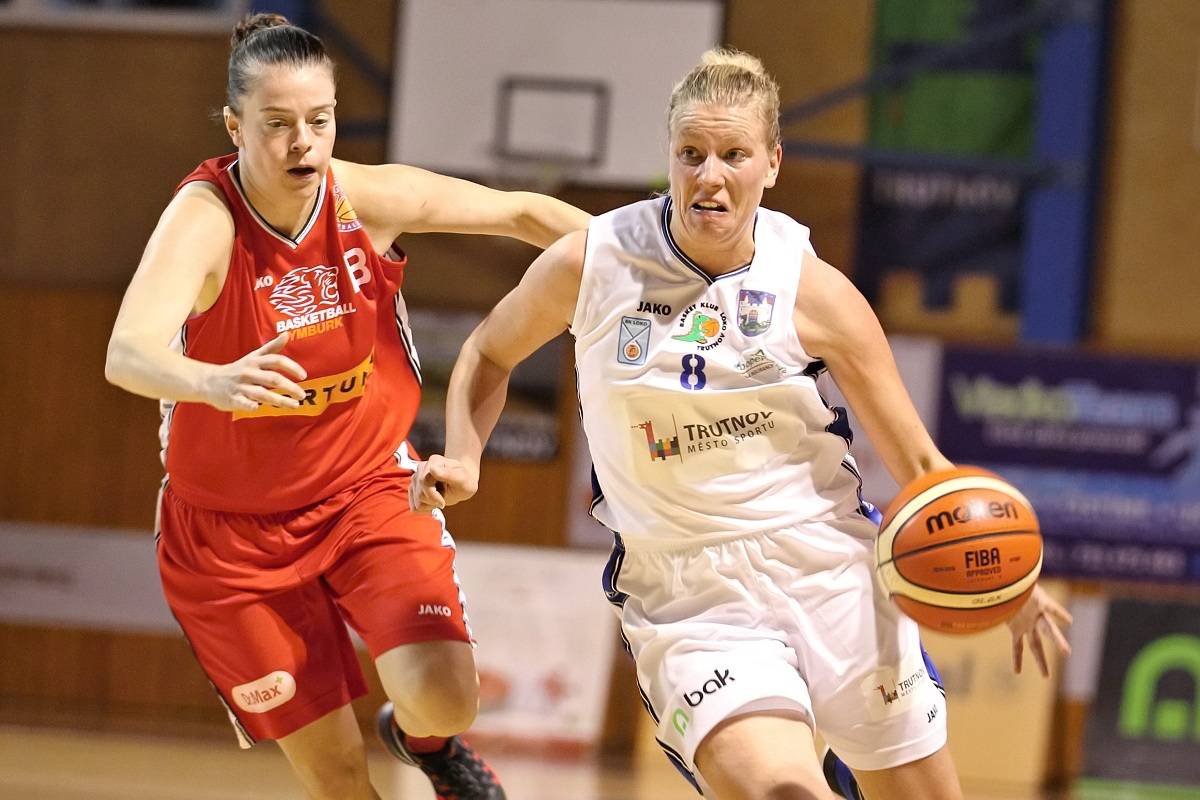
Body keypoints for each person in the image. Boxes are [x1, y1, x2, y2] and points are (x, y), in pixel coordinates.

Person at [410, 48, 1073, 800]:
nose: (710, 175)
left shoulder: (814, 290)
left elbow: (922, 464)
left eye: (734, 154)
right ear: (669, 157)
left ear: (772, 163)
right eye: (691, 153)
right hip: (690, 596)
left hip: (829, 569)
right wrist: (465, 456)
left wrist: (1006, 581)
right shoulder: (592, 264)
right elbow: (487, 353)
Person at [104, 13, 589, 800]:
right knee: (336, 779)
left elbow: (521, 213)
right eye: (277, 124)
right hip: (229, 538)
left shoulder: (364, 198)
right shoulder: (206, 219)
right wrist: (210, 381)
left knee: (447, 697)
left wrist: (647, 263)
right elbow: (126, 352)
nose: (303, 143)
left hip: (366, 490)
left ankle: (423, 740)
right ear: (234, 126)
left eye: (319, 121)